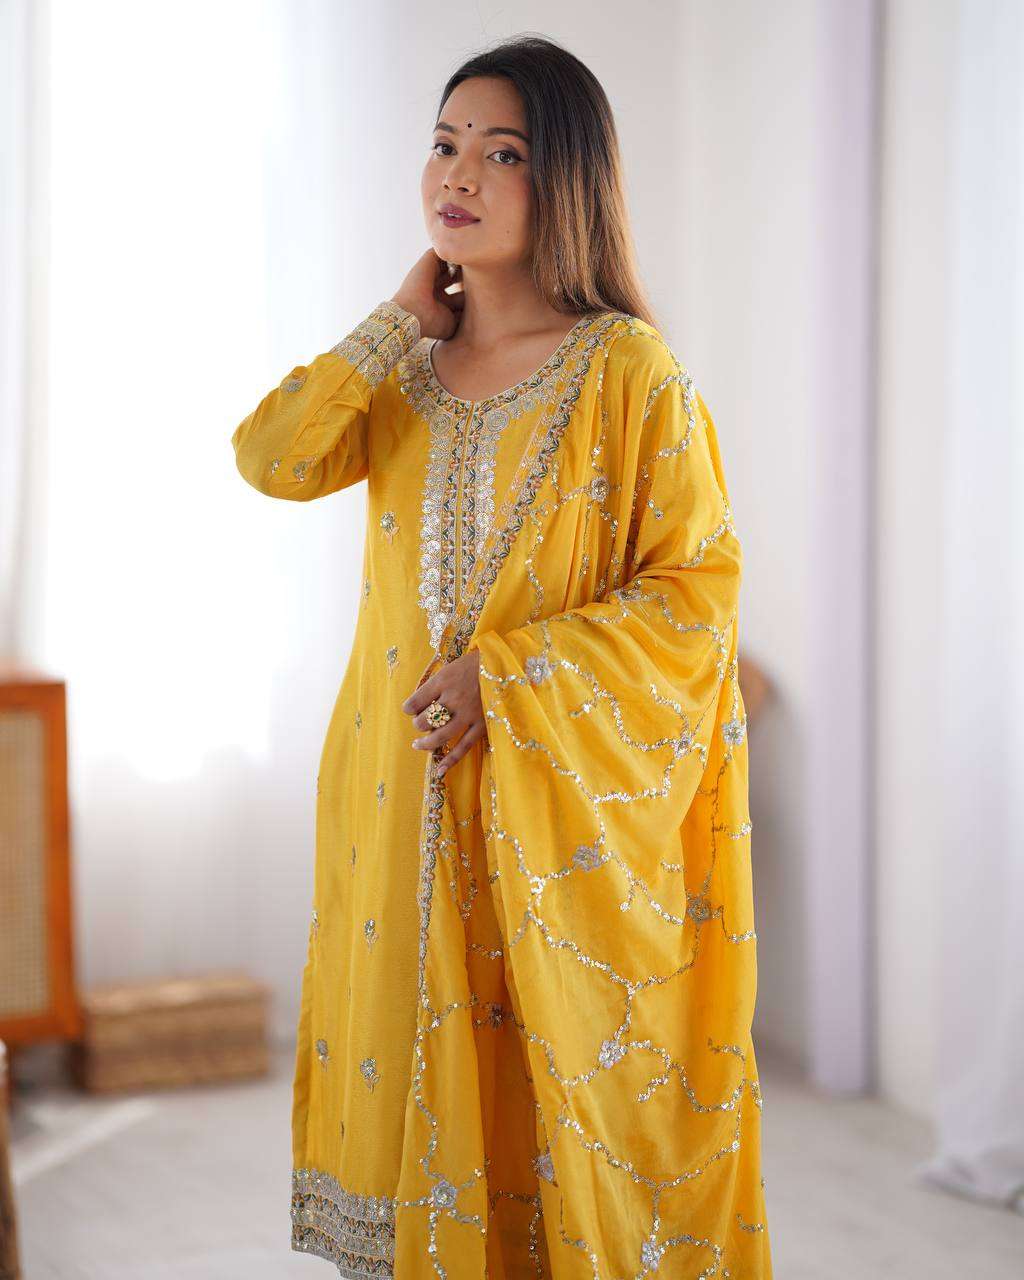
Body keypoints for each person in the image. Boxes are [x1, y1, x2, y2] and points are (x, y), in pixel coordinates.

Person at [231, 33, 772, 1279]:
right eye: (444, 143)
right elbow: (271, 458)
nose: (458, 174)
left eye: (503, 152)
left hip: (551, 830)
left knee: (551, 1120)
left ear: (565, 178)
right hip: (396, 807)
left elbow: (694, 596)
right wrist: (395, 321)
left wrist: (512, 676)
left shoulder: (627, 371)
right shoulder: (402, 380)